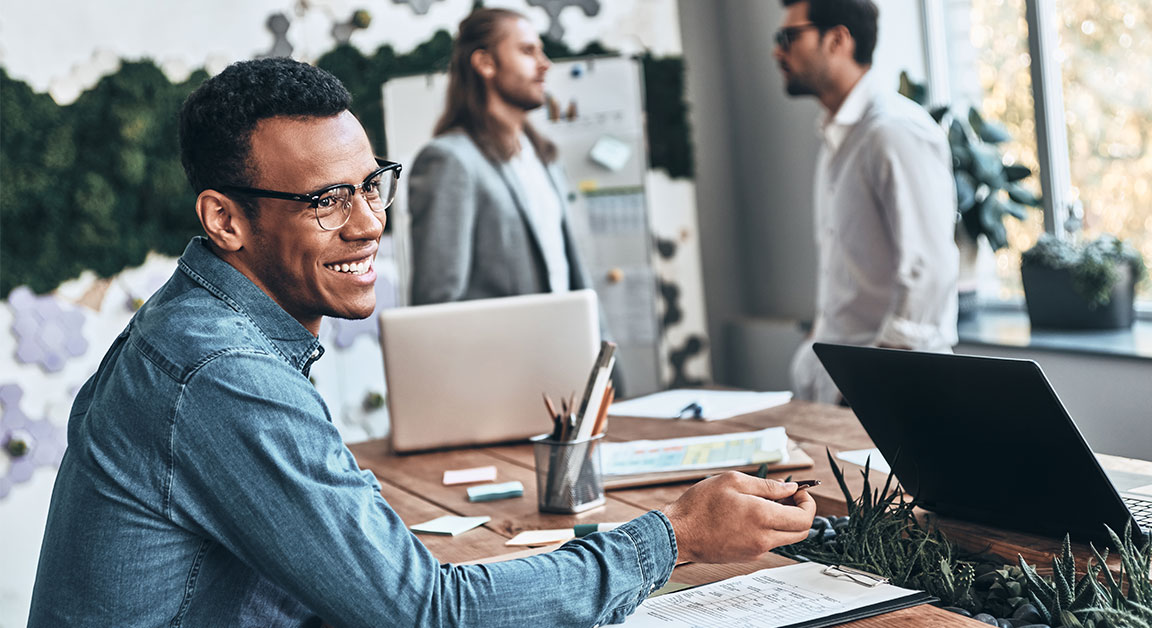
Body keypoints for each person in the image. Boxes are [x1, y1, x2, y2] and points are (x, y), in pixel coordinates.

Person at [28, 57, 816, 627]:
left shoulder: (192, 323)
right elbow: (423, 613)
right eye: (327, 199)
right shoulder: (224, 371)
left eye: (372, 184)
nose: (370, 221)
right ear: (226, 220)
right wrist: (673, 538)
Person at [774, 0, 959, 404]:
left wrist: (872, 381)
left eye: (789, 37)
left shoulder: (892, 131)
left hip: (890, 391)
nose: (777, 51)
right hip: (840, 389)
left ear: (837, 39)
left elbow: (930, 271)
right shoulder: (839, 136)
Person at [407, 8, 589, 306]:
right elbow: (437, 303)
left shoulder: (544, 157)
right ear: (485, 63)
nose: (545, 65)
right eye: (528, 51)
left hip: (566, 349)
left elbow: (573, 277)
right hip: (503, 353)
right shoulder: (449, 160)